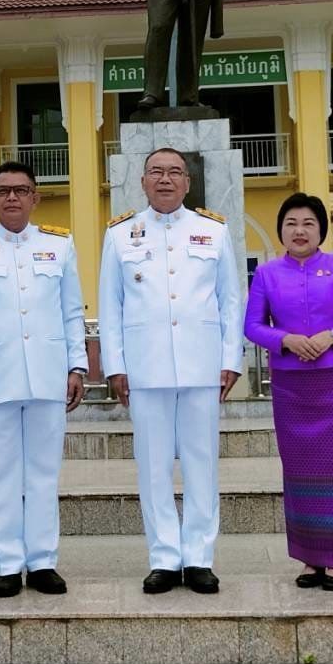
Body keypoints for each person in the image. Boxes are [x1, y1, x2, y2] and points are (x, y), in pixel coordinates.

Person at [100, 148, 243, 595]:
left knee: (203, 466)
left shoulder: (212, 231)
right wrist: (116, 366)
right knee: (153, 468)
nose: (166, 180)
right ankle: (164, 557)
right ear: (142, 181)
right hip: (145, 368)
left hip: (202, 367)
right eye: (157, 172)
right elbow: (110, 305)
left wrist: (229, 360)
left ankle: (199, 558)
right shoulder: (121, 234)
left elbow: (230, 300)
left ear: (187, 182)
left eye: (175, 172)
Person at [0, 161, 87, 598]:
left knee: (44, 474)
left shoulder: (59, 245)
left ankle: (43, 561)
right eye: (4, 190)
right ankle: (8, 564)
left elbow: (71, 312)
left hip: (48, 375)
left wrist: (77, 367)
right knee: (3, 475)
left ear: (35, 197)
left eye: (21, 190)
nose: (12, 197)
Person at [245, 192, 333, 590]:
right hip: (291, 384)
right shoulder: (266, 273)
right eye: (291, 224)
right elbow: (252, 326)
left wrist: (331, 336)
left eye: (308, 224)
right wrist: (284, 340)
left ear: (321, 230)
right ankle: (309, 557)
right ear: (280, 230)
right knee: (299, 469)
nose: (299, 231)